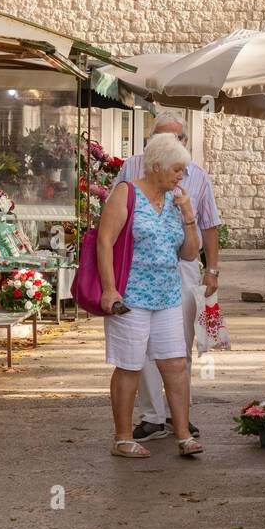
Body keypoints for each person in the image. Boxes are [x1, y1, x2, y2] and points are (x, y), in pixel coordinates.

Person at [115, 112, 220, 441]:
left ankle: (180, 415)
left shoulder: (197, 176)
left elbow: (210, 224)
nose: (167, 143)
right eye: (159, 136)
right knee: (141, 346)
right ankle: (152, 415)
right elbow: (111, 223)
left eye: (175, 138)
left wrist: (213, 269)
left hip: (183, 263)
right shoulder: (132, 168)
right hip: (139, 268)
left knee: (179, 343)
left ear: (185, 141)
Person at [98, 133, 203, 459]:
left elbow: (189, 254)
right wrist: (110, 288)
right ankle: (123, 437)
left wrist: (188, 216)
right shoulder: (126, 193)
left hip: (168, 295)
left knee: (175, 365)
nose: (180, 177)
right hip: (131, 298)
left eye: (182, 171)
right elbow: (104, 241)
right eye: (176, 170)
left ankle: (183, 435)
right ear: (156, 166)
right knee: (129, 366)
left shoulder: (175, 201)